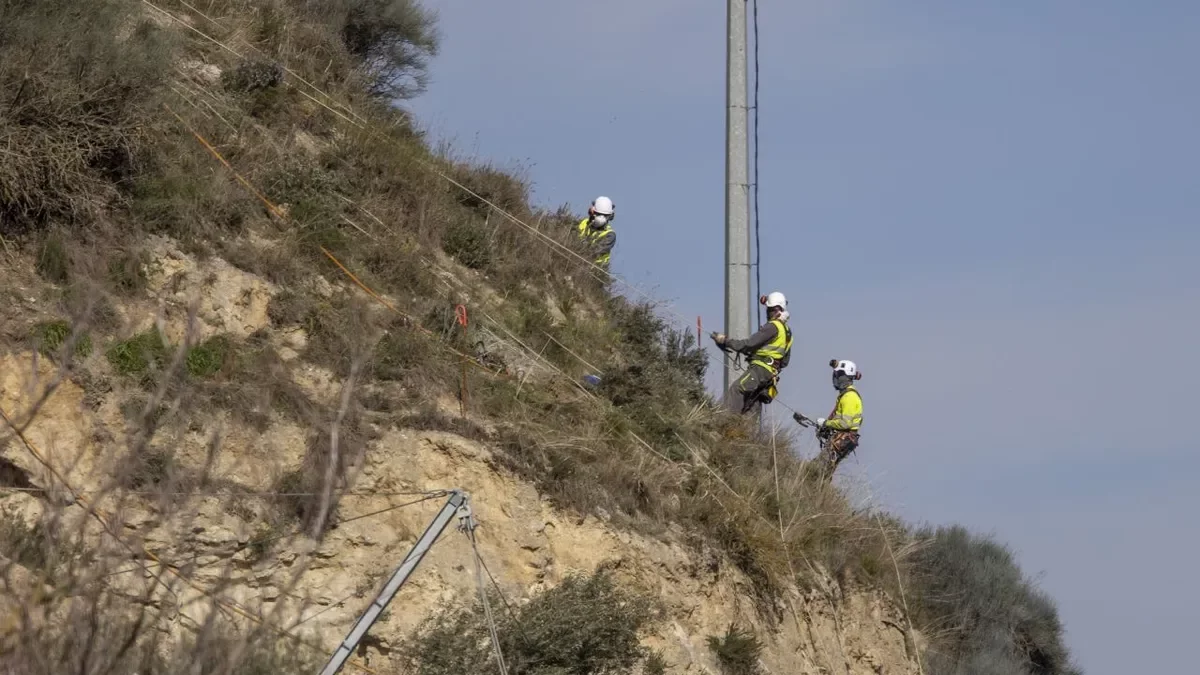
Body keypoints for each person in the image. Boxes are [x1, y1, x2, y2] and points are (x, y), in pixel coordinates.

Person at [711, 292, 793, 415]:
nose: (767, 313)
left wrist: (724, 341)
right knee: (752, 403)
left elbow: (748, 344)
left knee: (737, 389)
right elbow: (784, 362)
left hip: (760, 370)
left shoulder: (772, 326)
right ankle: (746, 432)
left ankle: (725, 423)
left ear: (776, 309)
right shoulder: (787, 332)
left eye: (769, 309)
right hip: (770, 376)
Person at [795, 359, 863, 479]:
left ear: (845, 377)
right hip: (840, 438)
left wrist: (826, 422)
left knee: (816, 470)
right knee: (823, 472)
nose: (836, 378)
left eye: (838, 375)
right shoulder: (845, 395)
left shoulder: (850, 397)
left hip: (842, 439)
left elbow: (845, 423)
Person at [576, 196, 616, 269]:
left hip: (596, 270)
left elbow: (594, 251)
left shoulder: (609, 235)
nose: (601, 218)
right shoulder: (583, 223)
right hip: (576, 262)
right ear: (592, 212)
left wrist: (580, 247)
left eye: (605, 215)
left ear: (610, 217)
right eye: (598, 214)